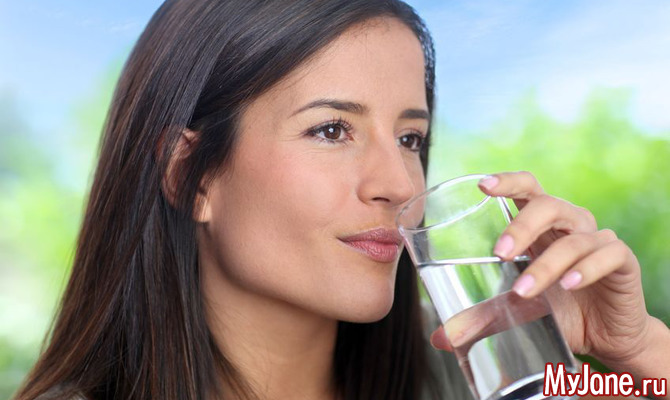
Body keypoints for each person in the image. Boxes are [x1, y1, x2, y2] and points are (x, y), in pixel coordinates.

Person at [13, 1, 670, 399]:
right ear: (190, 175)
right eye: (332, 130)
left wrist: (637, 353)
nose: (401, 185)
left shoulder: (470, 373)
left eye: (410, 138)